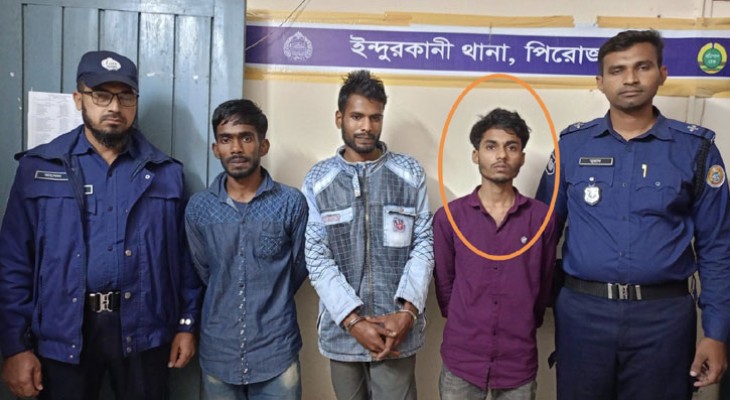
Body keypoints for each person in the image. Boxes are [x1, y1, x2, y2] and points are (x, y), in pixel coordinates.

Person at [536, 29, 730, 400]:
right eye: (617, 70)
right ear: (600, 81)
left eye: (642, 67)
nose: (630, 79)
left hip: (664, 320)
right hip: (584, 316)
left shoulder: (696, 150)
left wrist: (717, 332)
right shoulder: (571, 147)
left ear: (662, 74)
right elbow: (542, 233)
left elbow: (718, 247)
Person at [0, 50, 201, 399]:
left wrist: (187, 323)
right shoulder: (40, 168)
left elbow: (185, 259)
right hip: (63, 333)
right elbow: (14, 261)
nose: (114, 107)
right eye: (101, 95)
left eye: (125, 96)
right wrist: (15, 346)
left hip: (144, 331)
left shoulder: (166, 173)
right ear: (79, 99)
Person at [301, 69, 434, 400]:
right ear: (339, 118)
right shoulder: (319, 180)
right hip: (343, 331)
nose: (366, 126)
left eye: (375, 118)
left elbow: (423, 245)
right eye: (357, 116)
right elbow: (317, 257)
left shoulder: (409, 173)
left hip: (396, 330)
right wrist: (352, 321)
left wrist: (407, 312)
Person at [185, 99, 308, 399]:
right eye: (226, 139)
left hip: (275, 351)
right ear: (216, 148)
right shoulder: (199, 208)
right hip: (218, 352)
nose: (236, 148)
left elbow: (298, 269)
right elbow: (204, 271)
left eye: (246, 138)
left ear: (263, 145)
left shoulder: (291, 203)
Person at [434, 108, 557, 400]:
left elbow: (544, 284)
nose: (501, 155)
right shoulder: (450, 217)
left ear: (522, 158)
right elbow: (445, 286)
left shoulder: (542, 218)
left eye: (511, 147)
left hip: (517, 361)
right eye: (491, 146)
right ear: (476, 155)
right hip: (462, 360)